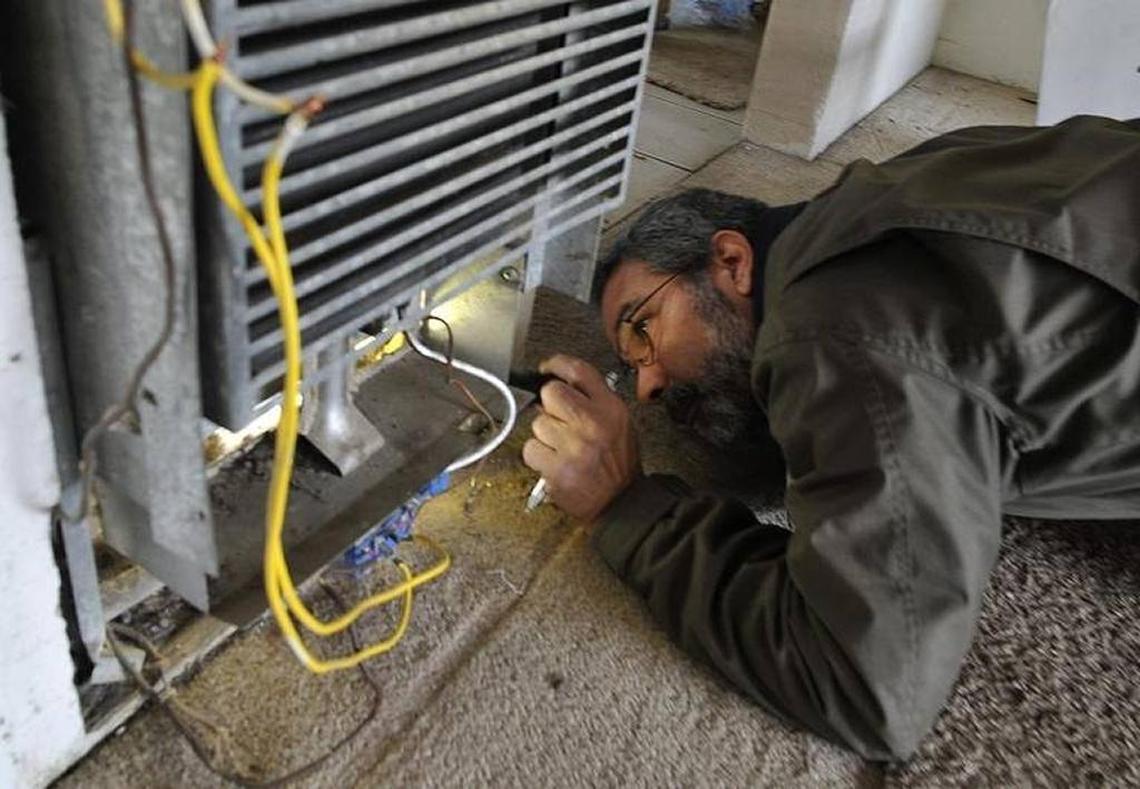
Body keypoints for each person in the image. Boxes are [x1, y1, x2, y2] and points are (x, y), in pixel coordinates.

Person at [521, 115, 1140, 760]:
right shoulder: (889, 190)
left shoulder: (832, 332)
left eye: (642, 329)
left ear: (731, 261)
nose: (646, 388)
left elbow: (866, 685)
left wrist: (625, 505)